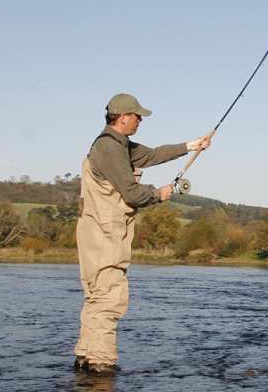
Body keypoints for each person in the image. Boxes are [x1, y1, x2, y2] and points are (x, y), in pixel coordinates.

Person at [74, 92, 211, 373]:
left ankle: (86, 357)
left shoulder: (115, 144)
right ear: (123, 117)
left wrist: (192, 145)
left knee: (96, 294)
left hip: (95, 230)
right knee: (109, 294)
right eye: (137, 116)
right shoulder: (112, 149)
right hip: (106, 232)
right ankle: (100, 364)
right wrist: (158, 195)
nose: (140, 121)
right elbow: (131, 192)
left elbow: (150, 155)